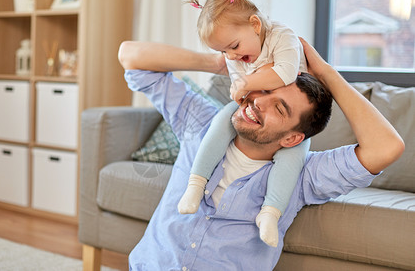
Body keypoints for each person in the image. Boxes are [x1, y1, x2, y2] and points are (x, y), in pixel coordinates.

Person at [117, 38, 404, 271]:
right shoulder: (202, 123)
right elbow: (130, 55)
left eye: (279, 108)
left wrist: (327, 73)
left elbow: (386, 148)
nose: (258, 102)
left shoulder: (304, 176)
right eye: (264, 89)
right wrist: (219, 64)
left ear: (293, 138)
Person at [178, 0, 308, 247]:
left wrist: (246, 82)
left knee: (294, 154)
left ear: (255, 24)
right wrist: (242, 92)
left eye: (234, 46)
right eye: (224, 52)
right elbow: (239, 85)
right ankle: (196, 184)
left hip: (289, 116)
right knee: (222, 120)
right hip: (259, 108)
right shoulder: (236, 55)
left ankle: (270, 213)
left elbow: (286, 73)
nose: (233, 57)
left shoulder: (282, 36)